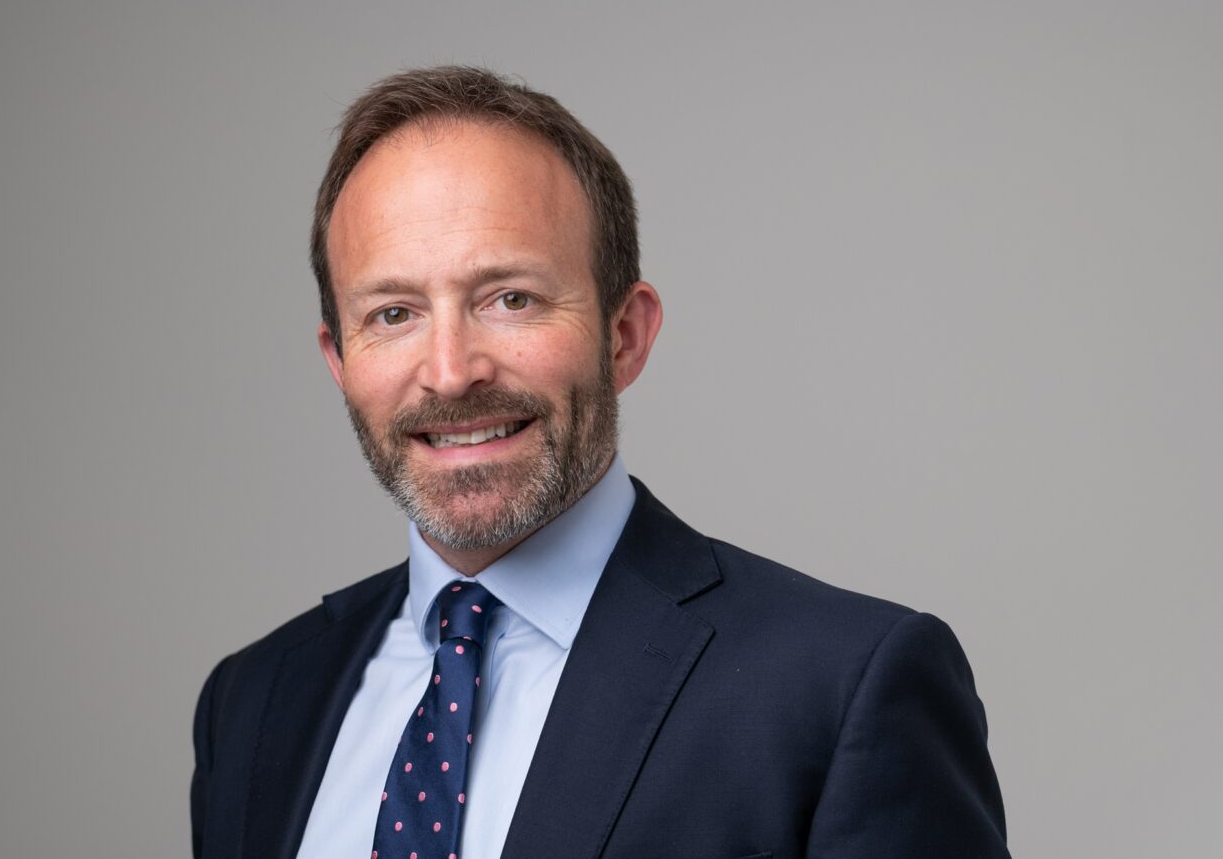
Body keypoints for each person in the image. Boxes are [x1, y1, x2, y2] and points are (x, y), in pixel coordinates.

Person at [191, 66, 1009, 859]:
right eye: (393, 314)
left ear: (625, 336)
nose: (450, 371)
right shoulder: (253, 702)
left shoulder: (840, 688)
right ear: (339, 360)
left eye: (510, 298)